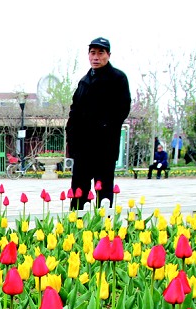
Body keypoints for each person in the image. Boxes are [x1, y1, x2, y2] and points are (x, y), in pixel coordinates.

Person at [66, 37, 131, 210]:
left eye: (100, 53)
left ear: (108, 55)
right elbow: (74, 112)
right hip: (83, 149)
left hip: (104, 148)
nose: (96, 57)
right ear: (88, 56)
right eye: (92, 53)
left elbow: (122, 110)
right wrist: (71, 138)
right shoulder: (84, 81)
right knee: (79, 193)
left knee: (104, 195)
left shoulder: (118, 79)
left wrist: (103, 127)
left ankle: (104, 232)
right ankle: (76, 230)